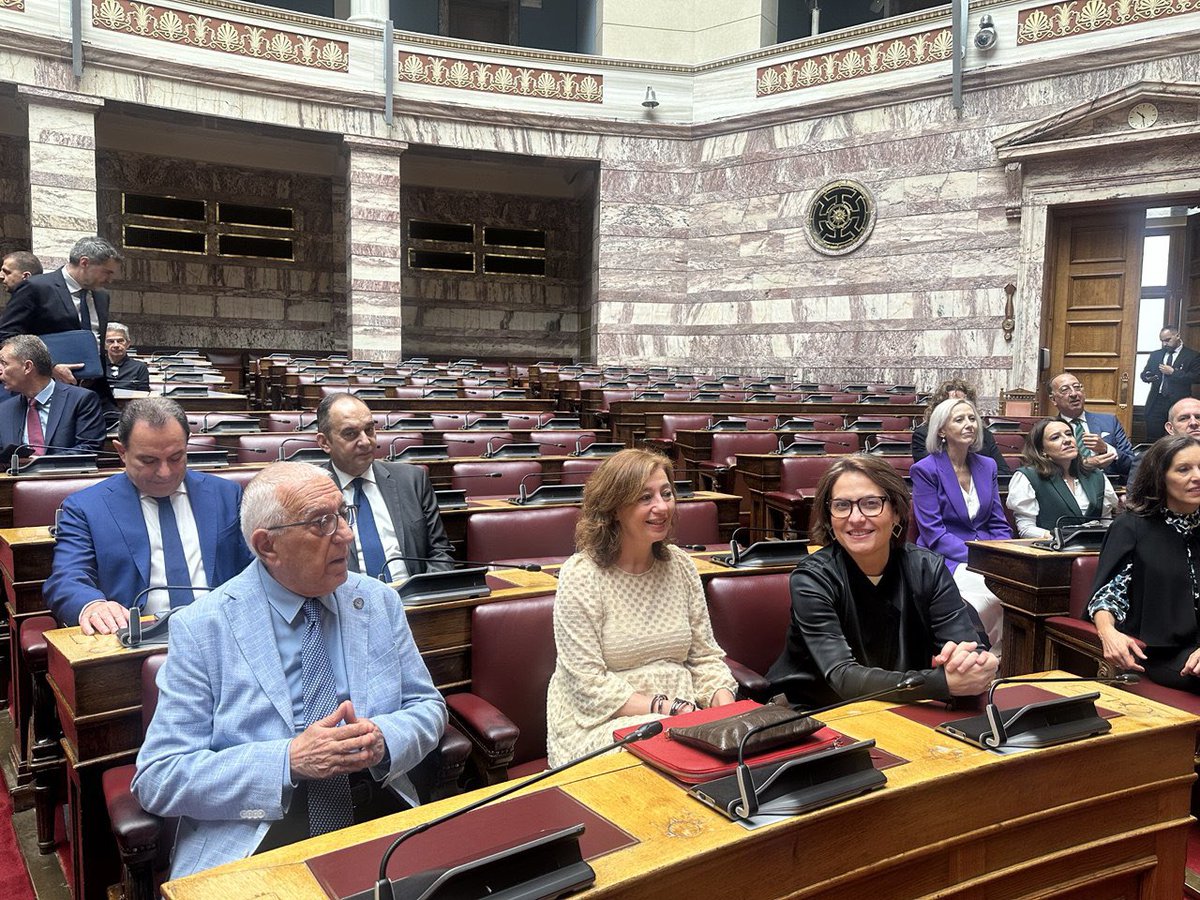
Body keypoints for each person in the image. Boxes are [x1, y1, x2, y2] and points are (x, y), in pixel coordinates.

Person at [131, 462, 447, 879]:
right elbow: (159, 777)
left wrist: (383, 738)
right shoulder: (203, 627)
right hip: (257, 833)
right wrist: (288, 761)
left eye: (342, 514)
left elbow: (428, 706)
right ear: (267, 546)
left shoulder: (376, 601)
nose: (347, 535)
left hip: (377, 809)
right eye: (322, 523)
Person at [546, 448, 736, 766]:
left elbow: (705, 658)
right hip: (599, 723)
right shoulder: (581, 575)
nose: (661, 507)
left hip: (684, 717)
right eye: (645, 497)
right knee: (668, 756)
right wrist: (670, 709)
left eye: (666, 494)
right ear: (614, 508)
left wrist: (725, 706)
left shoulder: (681, 566)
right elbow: (586, 684)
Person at [766, 454, 998, 708]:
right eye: (842, 506)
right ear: (830, 518)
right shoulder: (812, 578)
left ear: (896, 512)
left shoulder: (927, 567)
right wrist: (942, 683)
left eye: (871, 503)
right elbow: (843, 677)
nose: (855, 518)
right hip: (817, 714)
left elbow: (966, 643)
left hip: (904, 706)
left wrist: (974, 662)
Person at [44, 397, 252, 633]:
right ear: (122, 452)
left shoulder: (226, 494)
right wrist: (93, 605)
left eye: (176, 457)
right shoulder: (85, 508)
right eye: (149, 460)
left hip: (222, 632)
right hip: (137, 639)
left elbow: (256, 566)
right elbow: (67, 577)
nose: (165, 473)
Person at [1086, 435, 1200, 692]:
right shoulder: (1132, 528)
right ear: (1160, 477)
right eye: (1184, 469)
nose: (1197, 476)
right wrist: (1108, 632)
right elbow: (1109, 595)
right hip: (1165, 652)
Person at [910, 397, 1012, 649]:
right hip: (949, 557)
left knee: (1021, 592)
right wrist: (981, 557)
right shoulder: (926, 469)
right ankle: (999, 658)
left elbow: (998, 522)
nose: (969, 424)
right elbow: (934, 533)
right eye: (959, 420)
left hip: (990, 554)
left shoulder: (986, 465)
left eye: (972, 418)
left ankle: (1013, 658)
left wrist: (1005, 554)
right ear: (942, 430)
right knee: (994, 596)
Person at [315, 393, 453, 580]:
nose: (365, 441)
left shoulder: (412, 480)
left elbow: (440, 552)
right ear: (325, 443)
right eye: (350, 434)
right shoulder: (311, 493)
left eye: (369, 430)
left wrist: (426, 594)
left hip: (414, 599)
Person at [0, 235, 119, 386]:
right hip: (49, 386)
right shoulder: (36, 287)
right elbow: (7, 335)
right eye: (106, 272)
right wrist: (50, 367)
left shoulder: (102, 296)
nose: (109, 279)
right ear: (84, 263)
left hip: (95, 388)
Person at [1007, 418, 1119, 539]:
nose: (1066, 440)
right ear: (1042, 450)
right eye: (1055, 437)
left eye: (1069, 434)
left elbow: (1106, 523)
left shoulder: (1096, 476)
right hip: (1050, 551)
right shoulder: (1028, 477)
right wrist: (1060, 538)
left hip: (1094, 552)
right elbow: (1026, 529)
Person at [0, 334, 104, 454]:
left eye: (4, 363)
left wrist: (39, 463)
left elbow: (89, 448)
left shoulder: (81, 400)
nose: (0, 370)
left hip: (65, 472)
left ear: (27, 367)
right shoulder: (4, 409)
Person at [911, 378, 1010, 476]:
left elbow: (1003, 472)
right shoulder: (922, 435)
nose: (959, 407)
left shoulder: (984, 434)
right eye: (952, 404)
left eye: (971, 418)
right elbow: (930, 474)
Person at [1046, 373, 1134, 479]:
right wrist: (1085, 464)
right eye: (1065, 390)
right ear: (1053, 399)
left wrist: (1106, 448)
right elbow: (1044, 466)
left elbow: (1132, 464)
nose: (1073, 394)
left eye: (1077, 387)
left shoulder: (1109, 422)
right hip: (1066, 487)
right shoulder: (1049, 429)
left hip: (1111, 486)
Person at [1140, 327, 1200, 440]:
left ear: (1177, 336)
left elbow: (1197, 377)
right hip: (1156, 401)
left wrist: (1173, 372)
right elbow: (1144, 374)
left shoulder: (1192, 355)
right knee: (1152, 437)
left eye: (1167, 340)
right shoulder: (1156, 355)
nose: (1164, 344)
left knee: (1179, 438)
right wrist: (1148, 377)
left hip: (1178, 402)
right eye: (1162, 341)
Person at [104, 322, 151, 391]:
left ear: (128, 343)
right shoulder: (97, 365)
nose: (116, 345)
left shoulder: (140, 367)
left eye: (120, 341)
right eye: (111, 341)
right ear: (104, 345)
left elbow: (143, 396)